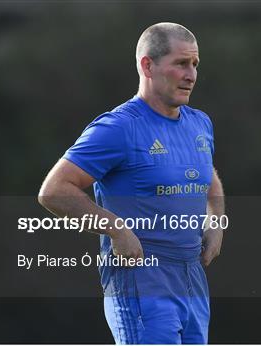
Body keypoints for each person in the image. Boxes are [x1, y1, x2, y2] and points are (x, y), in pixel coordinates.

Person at [38, 22, 225, 344]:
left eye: (194, 65)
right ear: (147, 65)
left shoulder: (199, 123)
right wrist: (117, 229)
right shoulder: (118, 127)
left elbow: (207, 177)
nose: (191, 75)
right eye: (181, 63)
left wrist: (215, 222)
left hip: (191, 275)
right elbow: (55, 190)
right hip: (141, 275)